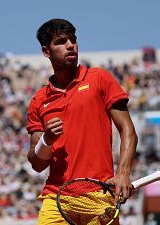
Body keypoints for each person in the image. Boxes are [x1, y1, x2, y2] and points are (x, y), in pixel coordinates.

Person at [26, 18, 138, 224]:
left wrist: (123, 173)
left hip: (99, 195)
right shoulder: (38, 101)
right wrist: (47, 140)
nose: (70, 45)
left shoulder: (99, 79)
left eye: (73, 40)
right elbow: (36, 163)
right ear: (46, 52)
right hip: (55, 197)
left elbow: (128, 130)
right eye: (61, 41)